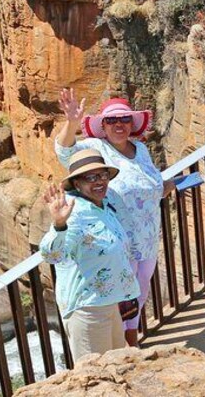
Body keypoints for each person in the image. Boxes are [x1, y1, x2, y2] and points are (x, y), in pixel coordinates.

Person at [55, 92, 174, 346]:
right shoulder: (96, 148)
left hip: (148, 239)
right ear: (103, 127)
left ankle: (133, 345)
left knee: (139, 298)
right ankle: (128, 351)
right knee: (121, 303)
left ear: (132, 123)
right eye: (111, 121)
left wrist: (166, 186)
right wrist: (71, 123)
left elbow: (149, 183)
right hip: (119, 242)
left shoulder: (140, 148)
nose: (119, 125)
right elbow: (65, 153)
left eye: (124, 119)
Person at [39, 149, 140, 361]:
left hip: (108, 303)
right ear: (77, 184)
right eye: (90, 177)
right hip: (87, 309)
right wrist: (59, 224)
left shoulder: (102, 207)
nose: (99, 181)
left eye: (102, 175)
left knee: (118, 366)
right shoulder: (75, 213)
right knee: (95, 378)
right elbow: (51, 255)